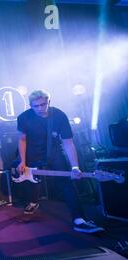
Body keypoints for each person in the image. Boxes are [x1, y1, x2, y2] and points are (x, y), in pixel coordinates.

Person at [17, 89, 103, 233]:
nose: (39, 109)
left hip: (53, 151)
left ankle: (78, 219)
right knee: (30, 180)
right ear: (30, 106)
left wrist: (75, 166)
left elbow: (68, 143)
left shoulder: (59, 115)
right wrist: (22, 161)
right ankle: (33, 201)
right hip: (32, 152)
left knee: (67, 183)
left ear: (49, 102)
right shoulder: (24, 117)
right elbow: (22, 139)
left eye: (43, 105)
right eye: (35, 106)